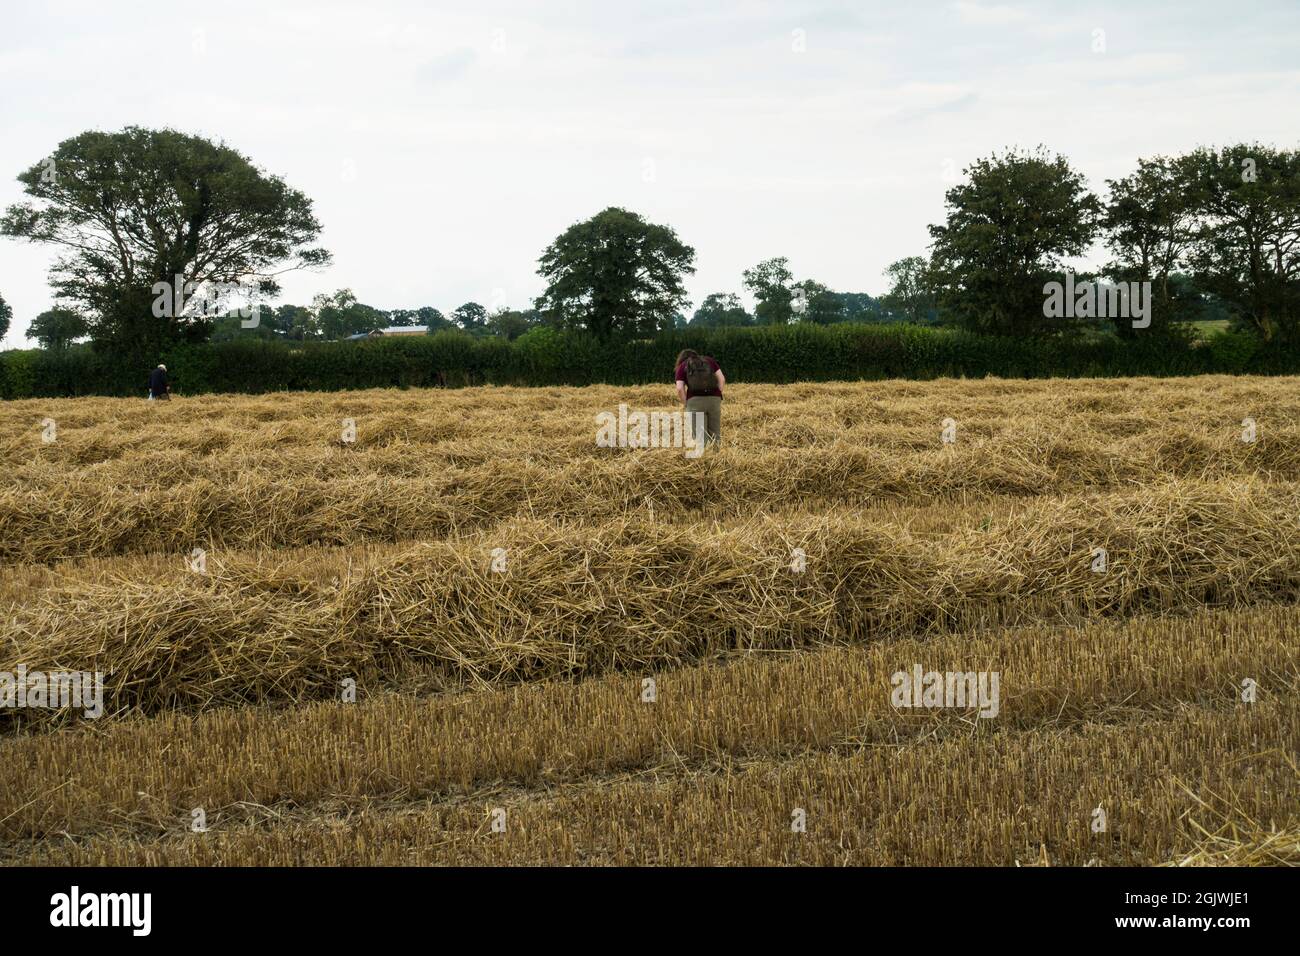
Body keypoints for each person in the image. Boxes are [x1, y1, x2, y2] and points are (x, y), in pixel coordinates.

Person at [674, 349, 724, 449]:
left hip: (694, 401)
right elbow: (722, 379)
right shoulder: (709, 361)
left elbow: (679, 388)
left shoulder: (683, 366)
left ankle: (705, 460)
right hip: (714, 400)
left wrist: (687, 403)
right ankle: (717, 459)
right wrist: (717, 395)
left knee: (700, 436)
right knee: (715, 434)